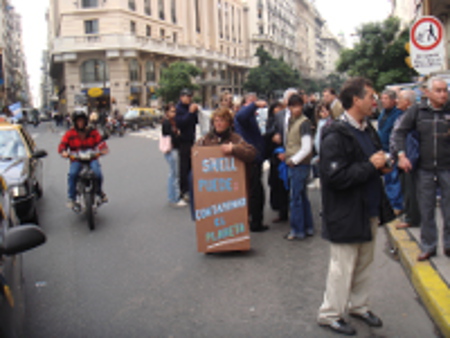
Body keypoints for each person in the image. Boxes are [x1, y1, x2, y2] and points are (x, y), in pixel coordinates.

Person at [317, 77, 390, 336]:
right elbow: (334, 177)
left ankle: (358, 305)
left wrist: (384, 164)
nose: (375, 101)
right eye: (371, 96)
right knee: (342, 267)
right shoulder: (335, 133)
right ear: (356, 100)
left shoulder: (368, 129)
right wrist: (371, 165)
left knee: (364, 263)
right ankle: (330, 314)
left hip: (368, 208)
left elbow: (372, 162)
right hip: (346, 212)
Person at [395, 76, 450, 261]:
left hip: (446, 167)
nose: (443, 94)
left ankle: (448, 244)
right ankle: (429, 245)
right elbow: (400, 132)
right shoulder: (417, 111)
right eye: (439, 90)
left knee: (448, 209)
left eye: (445, 90)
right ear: (427, 92)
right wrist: (402, 155)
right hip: (424, 168)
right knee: (426, 209)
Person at [58, 110, 109, 209]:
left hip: (92, 158)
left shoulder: (93, 132)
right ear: (75, 122)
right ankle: (71, 198)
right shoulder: (70, 133)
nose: (80, 123)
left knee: (98, 173)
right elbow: (62, 145)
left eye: (82, 121)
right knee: (72, 174)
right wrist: (63, 151)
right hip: (76, 159)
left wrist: (103, 149)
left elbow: (101, 143)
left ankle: (99, 193)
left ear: (85, 121)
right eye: (78, 121)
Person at [234, 93, 268, 232]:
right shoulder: (243, 115)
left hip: (255, 157)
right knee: (255, 192)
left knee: (256, 190)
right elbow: (241, 116)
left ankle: (254, 219)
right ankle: (255, 221)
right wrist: (254, 104)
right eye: (252, 101)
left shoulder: (250, 116)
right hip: (251, 158)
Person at [282, 94, 314, 240]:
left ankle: (297, 230)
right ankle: (308, 227)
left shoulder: (303, 123)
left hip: (299, 165)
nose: (296, 109)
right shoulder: (293, 121)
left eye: (298, 106)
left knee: (296, 199)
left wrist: (293, 160)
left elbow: (307, 147)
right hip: (297, 163)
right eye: (293, 106)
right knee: (301, 197)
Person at [390, 90, 420, 230]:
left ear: (407, 101)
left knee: (410, 190)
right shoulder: (404, 114)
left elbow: (402, 135)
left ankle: (412, 218)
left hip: (408, 158)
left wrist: (403, 156)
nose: (396, 101)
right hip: (402, 157)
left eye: (400, 98)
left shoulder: (411, 115)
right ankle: (410, 215)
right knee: (406, 188)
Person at [378, 89, 404, 214]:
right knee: (388, 177)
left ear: (394, 100)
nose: (383, 101)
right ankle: (390, 202)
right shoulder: (383, 113)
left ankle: (397, 205)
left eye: (386, 98)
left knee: (394, 178)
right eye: (382, 98)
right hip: (384, 150)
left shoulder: (398, 114)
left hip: (393, 150)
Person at [265, 101, 289, 223]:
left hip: (284, 156)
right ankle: (279, 207)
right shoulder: (272, 121)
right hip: (275, 156)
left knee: (284, 185)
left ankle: (284, 210)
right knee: (275, 183)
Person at [175, 88, 199, 201]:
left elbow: (195, 121)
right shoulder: (179, 109)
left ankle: (191, 188)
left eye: (190, 96)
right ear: (181, 97)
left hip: (191, 139)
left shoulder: (189, 108)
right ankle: (183, 190)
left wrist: (196, 112)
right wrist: (190, 112)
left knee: (191, 166)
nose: (189, 98)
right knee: (184, 167)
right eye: (186, 96)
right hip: (183, 141)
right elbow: (181, 123)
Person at [162, 103, 187, 208]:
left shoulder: (172, 122)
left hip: (172, 150)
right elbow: (173, 137)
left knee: (172, 174)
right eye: (172, 111)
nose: (174, 113)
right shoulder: (167, 123)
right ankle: (175, 198)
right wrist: (179, 135)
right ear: (167, 112)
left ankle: (172, 197)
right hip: (171, 150)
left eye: (175, 111)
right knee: (174, 175)